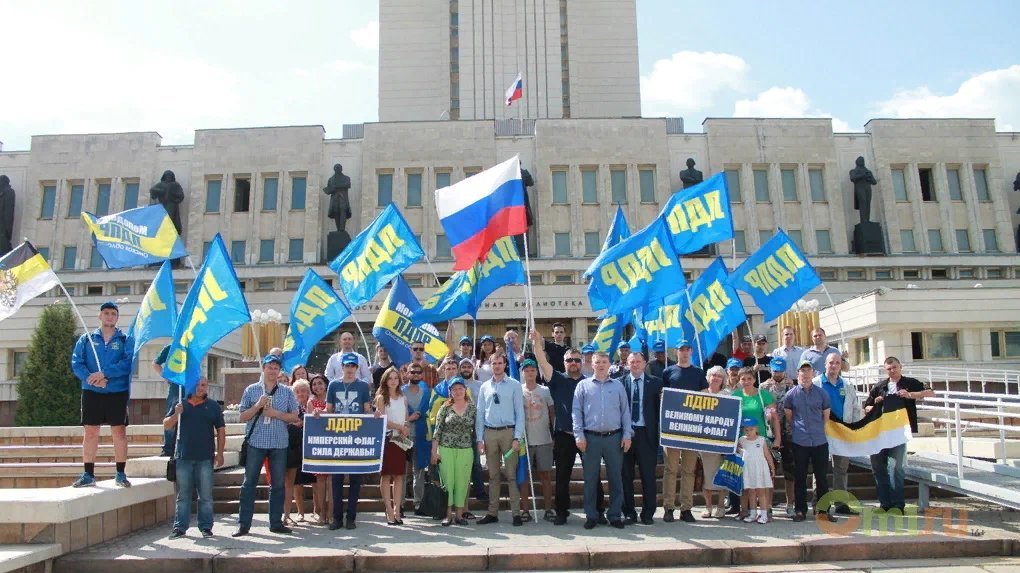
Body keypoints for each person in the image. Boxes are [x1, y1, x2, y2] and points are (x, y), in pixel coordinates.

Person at [530, 328, 605, 525]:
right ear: (564, 363)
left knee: (593, 475)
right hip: (564, 435)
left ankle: (599, 511)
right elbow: (542, 361)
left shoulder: (590, 382)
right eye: (570, 360)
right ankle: (562, 512)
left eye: (577, 360)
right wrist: (537, 343)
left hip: (587, 436)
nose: (573, 363)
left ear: (583, 363)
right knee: (562, 476)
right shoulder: (557, 379)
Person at [235, 354, 301, 537]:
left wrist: (275, 413)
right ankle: (244, 524)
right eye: (269, 367)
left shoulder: (287, 392)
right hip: (256, 442)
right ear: (263, 368)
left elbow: (294, 416)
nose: (272, 371)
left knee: (278, 485)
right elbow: (242, 416)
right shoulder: (251, 390)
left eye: (275, 368)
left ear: (279, 371)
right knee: (249, 484)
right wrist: (257, 406)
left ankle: (275, 522)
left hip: (279, 443)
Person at [71, 301, 135, 488]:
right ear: (100, 316)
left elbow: (127, 363)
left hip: (117, 391)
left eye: (113, 313)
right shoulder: (87, 338)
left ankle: (121, 473)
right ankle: (88, 474)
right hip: (92, 391)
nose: (109, 316)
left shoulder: (125, 340)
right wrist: (91, 378)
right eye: (106, 313)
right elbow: (77, 362)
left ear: (117, 317)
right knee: (91, 431)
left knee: (119, 431)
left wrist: (104, 374)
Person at [863, 357, 934, 513]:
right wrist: (875, 402)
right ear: (885, 370)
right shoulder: (880, 386)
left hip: (899, 432)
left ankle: (897, 505)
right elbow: (866, 407)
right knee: (878, 467)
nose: (892, 371)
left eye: (895, 367)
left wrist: (910, 394)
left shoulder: (910, 382)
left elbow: (931, 393)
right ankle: (884, 504)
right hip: (879, 432)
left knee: (897, 468)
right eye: (889, 369)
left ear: (901, 366)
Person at [572, 351, 632, 530]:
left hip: (614, 438)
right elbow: (576, 412)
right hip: (590, 438)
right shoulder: (583, 386)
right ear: (592, 364)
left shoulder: (618, 386)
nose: (601, 365)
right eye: (597, 362)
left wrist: (627, 434)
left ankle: (614, 515)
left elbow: (625, 412)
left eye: (604, 362)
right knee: (590, 479)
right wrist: (579, 435)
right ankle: (591, 515)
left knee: (616, 478)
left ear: (609, 364)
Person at [164, 377, 225, 539]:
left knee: (205, 495)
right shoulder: (180, 404)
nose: (200, 387)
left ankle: (206, 527)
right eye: (197, 384)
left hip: (205, 457)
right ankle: (180, 528)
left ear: (207, 387)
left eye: (203, 385)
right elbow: (166, 425)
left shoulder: (213, 406)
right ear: (191, 386)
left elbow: (221, 430)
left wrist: (220, 453)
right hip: (183, 457)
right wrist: (176, 414)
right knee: (183, 495)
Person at [475, 353, 526, 526]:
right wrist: (479, 439)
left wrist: (517, 437)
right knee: (493, 476)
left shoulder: (514, 385)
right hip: (490, 434)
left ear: (505, 364)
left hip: (508, 433)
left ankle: (516, 514)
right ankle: (492, 512)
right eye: (493, 363)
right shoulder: (484, 387)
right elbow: (480, 413)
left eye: (499, 363)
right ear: (490, 365)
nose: (496, 366)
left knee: (511, 476)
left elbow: (520, 412)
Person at [324, 352, 373, 530]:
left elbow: (366, 409)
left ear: (357, 368)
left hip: (356, 438)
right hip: (338, 438)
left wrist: (373, 415)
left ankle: (351, 517)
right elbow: (329, 410)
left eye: (353, 366)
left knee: (355, 480)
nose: (350, 369)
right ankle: (336, 518)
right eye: (347, 366)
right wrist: (317, 415)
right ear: (342, 367)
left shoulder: (362, 386)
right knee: (336, 479)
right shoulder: (333, 385)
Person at [783, 360, 836, 523]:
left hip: (820, 440)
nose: (805, 375)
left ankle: (823, 511)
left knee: (821, 477)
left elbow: (826, 416)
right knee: (800, 477)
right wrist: (800, 430)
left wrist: (818, 429)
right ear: (797, 374)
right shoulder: (791, 394)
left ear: (813, 374)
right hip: (800, 441)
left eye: (808, 372)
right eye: (802, 372)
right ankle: (800, 510)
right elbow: (789, 417)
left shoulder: (822, 393)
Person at [660, 340, 707, 523]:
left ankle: (686, 508)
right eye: (681, 349)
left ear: (691, 352)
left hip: (692, 429)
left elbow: (705, 396)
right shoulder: (668, 372)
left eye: (687, 349)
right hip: (672, 429)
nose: (685, 352)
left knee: (689, 470)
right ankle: (669, 507)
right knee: (670, 469)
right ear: (676, 351)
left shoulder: (698, 372)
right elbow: (663, 397)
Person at [731, 367, 781, 519]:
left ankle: (766, 509)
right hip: (742, 442)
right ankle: (745, 510)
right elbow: (730, 420)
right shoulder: (736, 395)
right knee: (744, 478)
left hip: (761, 440)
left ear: (754, 379)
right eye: (742, 379)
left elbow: (774, 418)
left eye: (749, 378)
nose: (746, 382)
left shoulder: (763, 394)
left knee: (762, 477)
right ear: (739, 381)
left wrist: (778, 438)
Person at [817, 353, 862, 515]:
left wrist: (855, 428)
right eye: (831, 363)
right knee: (820, 467)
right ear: (825, 364)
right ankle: (819, 501)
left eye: (837, 363)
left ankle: (841, 503)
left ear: (841, 365)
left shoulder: (847, 385)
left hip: (842, 431)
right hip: (822, 431)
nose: (834, 365)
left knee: (841, 468)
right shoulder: (817, 384)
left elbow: (855, 408)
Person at [620, 351, 661, 525]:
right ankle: (629, 512)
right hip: (626, 435)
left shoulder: (656, 383)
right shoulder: (619, 383)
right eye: (632, 362)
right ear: (627, 364)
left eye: (638, 361)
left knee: (648, 476)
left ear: (645, 363)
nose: (635, 365)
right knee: (625, 476)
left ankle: (648, 513)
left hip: (646, 434)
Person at [431, 377, 477, 526]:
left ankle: (459, 515)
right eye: (454, 389)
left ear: (465, 390)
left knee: (462, 482)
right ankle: (448, 515)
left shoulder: (472, 408)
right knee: (448, 482)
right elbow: (437, 431)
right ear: (450, 392)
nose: (457, 391)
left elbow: (477, 429)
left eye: (460, 388)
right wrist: (434, 451)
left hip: (465, 449)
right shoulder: (444, 407)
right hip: (446, 449)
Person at [519, 358, 555, 522]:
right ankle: (525, 510)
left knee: (545, 476)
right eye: (526, 370)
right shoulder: (518, 391)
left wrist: (552, 434)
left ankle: (548, 509)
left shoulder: (545, 391)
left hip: (543, 439)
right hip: (525, 441)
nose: (530, 373)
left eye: (532, 370)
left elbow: (552, 413)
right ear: (523, 373)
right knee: (524, 477)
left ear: (536, 372)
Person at [759, 358, 796, 517]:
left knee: (790, 472)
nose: (777, 372)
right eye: (775, 369)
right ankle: (767, 505)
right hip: (769, 434)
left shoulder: (792, 386)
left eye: (780, 369)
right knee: (768, 471)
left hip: (789, 433)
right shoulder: (763, 387)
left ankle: (790, 504)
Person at [376, 367, 409, 525]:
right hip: (387, 438)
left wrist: (406, 427)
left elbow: (406, 417)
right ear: (385, 380)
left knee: (399, 476)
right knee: (386, 475)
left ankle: (397, 510)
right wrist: (399, 426)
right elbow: (383, 420)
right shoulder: (382, 397)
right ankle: (388, 510)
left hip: (400, 439)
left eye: (396, 378)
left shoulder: (403, 397)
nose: (394, 380)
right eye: (390, 378)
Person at [700, 366, 729, 518]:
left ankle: (720, 506)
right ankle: (708, 506)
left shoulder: (728, 395)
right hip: (705, 442)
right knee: (706, 475)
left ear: (723, 379)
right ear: (709, 377)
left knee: (721, 475)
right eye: (713, 375)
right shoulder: (701, 394)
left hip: (723, 442)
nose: (716, 378)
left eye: (719, 376)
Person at [284, 379, 313, 525]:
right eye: (298, 391)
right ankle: (300, 512)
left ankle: (317, 511)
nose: (301, 393)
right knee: (296, 483)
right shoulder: (290, 407)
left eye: (304, 391)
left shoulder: (312, 406)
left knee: (315, 481)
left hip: (310, 447)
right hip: (294, 447)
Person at [402, 366, 430, 517]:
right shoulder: (400, 391)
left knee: (418, 471)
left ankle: (418, 504)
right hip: (402, 435)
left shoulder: (427, 392)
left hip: (420, 435)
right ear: (407, 373)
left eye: (418, 372)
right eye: (412, 372)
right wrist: (409, 418)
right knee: (401, 471)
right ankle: (399, 505)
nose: (415, 374)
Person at [738, 417, 775, 525]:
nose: (748, 432)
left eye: (751, 429)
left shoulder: (761, 439)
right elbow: (738, 452)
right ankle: (753, 514)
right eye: (746, 430)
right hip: (748, 469)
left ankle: (764, 515)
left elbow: (767, 454)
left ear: (756, 429)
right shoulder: (742, 440)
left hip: (760, 468)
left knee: (761, 492)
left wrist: (772, 466)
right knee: (751, 492)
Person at [307, 374, 331, 525]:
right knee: (320, 480)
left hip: (334, 443)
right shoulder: (311, 402)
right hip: (319, 445)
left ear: (326, 384)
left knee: (332, 481)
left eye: (320, 383)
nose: (317, 386)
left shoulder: (332, 399)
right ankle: (321, 513)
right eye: (314, 384)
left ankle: (332, 512)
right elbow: (311, 420)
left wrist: (323, 413)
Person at [152, 344, 178, 458]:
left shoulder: (193, 347)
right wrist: (166, 376)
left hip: (191, 386)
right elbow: (156, 363)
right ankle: (168, 448)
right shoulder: (171, 347)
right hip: (176, 387)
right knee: (172, 415)